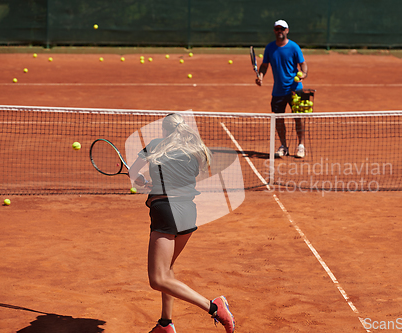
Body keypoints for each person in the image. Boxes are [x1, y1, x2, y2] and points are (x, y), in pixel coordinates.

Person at [129, 113, 235, 333]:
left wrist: (142, 181)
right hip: (188, 213)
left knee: (157, 279)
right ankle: (165, 324)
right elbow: (177, 178)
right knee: (167, 269)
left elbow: (133, 172)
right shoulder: (196, 150)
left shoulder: (157, 145)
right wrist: (156, 183)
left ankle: (215, 307)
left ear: (165, 131)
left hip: (166, 213)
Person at [256, 19, 309, 158]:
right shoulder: (270, 48)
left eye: (282, 29)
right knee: (279, 119)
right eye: (277, 29)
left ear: (287, 30)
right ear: (274, 31)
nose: (280, 31)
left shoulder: (294, 47)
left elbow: (303, 64)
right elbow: (264, 65)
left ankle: (301, 146)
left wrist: (303, 74)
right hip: (278, 90)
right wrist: (261, 76)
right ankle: (283, 146)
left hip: (296, 89)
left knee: (299, 118)